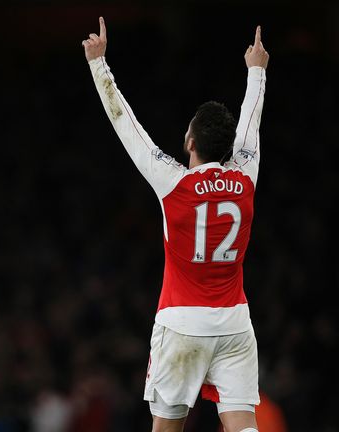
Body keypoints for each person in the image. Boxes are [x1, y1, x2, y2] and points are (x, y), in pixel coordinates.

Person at [82, 18, 269, 432]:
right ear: (228, 147)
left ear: (189, 142)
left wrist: (99, 64)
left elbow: (126, 125)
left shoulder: (174, 184)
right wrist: (257, 68)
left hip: (182, 323)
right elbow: (251, 123)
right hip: (235, 323)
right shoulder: (246, 177)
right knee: (243, 426)